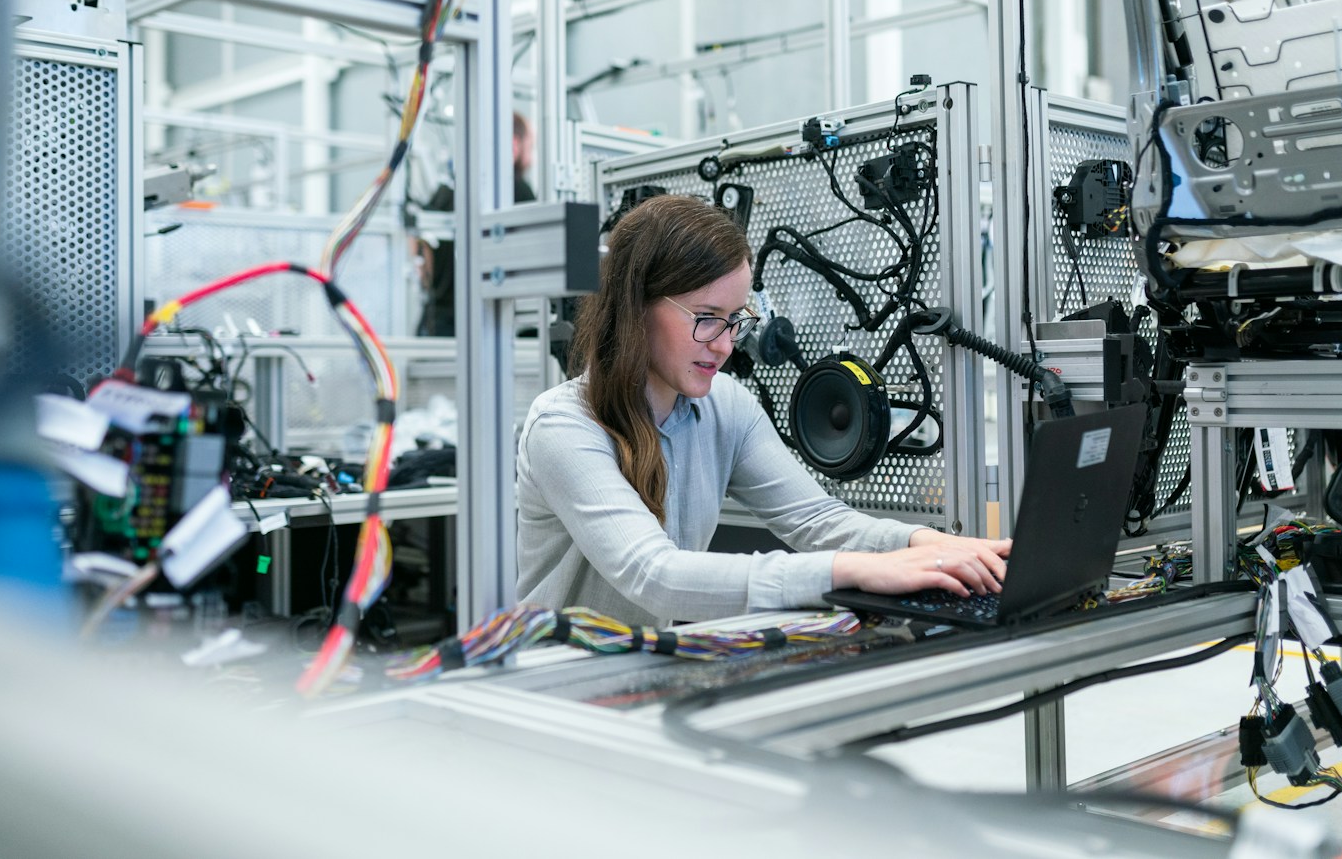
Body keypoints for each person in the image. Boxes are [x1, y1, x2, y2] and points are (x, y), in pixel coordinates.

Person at [516, 194, 1010, 626]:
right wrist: (852, 571)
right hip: (557, 690)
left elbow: (818, 520)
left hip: (643, 671)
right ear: (636, 307)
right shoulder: (564, 425)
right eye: (707, 319)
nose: (726, 345)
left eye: (735, 320)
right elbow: (655, 575)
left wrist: (929, 545)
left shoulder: (725, 406)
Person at [417, 112, 536, 337]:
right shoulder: (517, 189)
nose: (532, 156)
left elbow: (420, 255)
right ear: (514, 144)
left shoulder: (445, 191)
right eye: (531, 146)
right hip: (486, 324)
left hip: (437, 324)